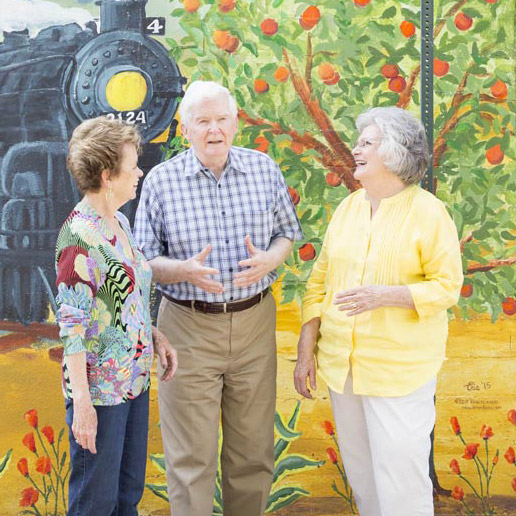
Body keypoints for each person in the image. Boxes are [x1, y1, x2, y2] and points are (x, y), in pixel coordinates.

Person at [134, 80, 303, 516]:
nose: (214, 130)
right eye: (203, 121)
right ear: (185, 129)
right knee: (191, 460)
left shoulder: (264, 169)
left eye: (222, 119)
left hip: (254, 324)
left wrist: (271, 259)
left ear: (236, 123)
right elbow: (143, 261)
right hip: (186, 328)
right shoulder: (160, 181)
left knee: (252, 455)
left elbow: (288, 233)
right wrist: (183, 269)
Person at [294, 107, 463, 516]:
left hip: (398, 372)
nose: (356, 149)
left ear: (394, 153)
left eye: (367, 143)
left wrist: (389, 295)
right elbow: (319, 281)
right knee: (363, 477)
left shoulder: (428, 212)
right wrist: (305, 350)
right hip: (342, 368)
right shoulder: (349, 208)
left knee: (401, 480)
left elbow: (447, 287)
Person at [55, 117, 178, 516]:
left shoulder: (120, 222)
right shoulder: (78, 239)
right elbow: (71, 333)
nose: (140, 171)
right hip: (101, 397)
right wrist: (84, 409)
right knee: (96, 503)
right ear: (108, 176)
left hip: (134, 384)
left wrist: (154, 335)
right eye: (133, 165)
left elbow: (122, 299)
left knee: (127, 497)